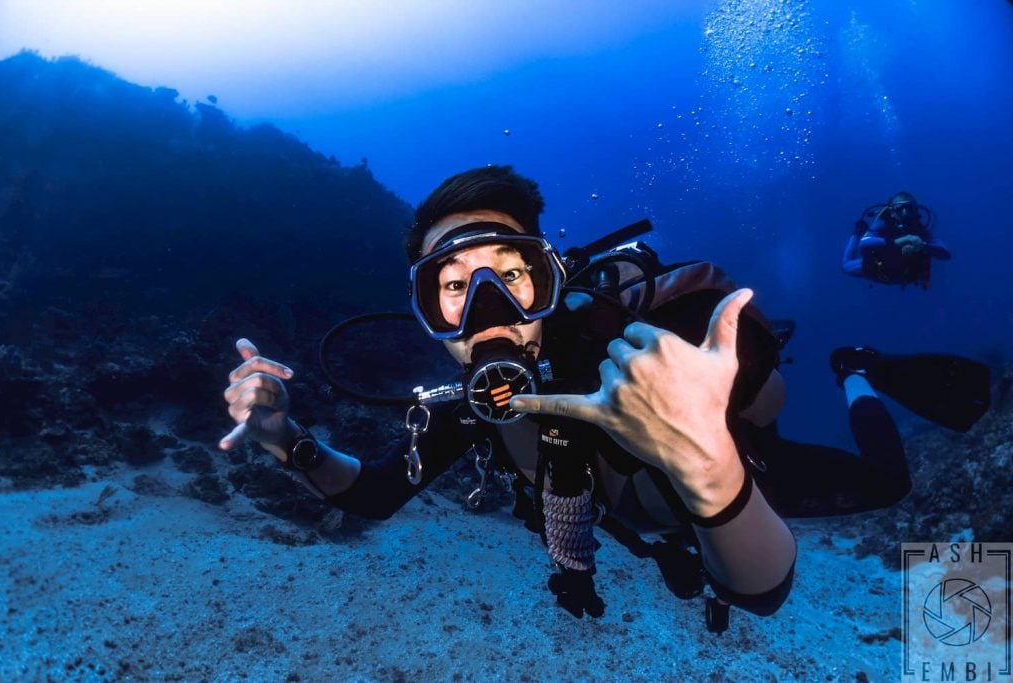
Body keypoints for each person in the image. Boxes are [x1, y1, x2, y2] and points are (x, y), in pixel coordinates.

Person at [220, 166, 928, 627]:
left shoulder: (631, 353)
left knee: (888, 482)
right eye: (455, 286)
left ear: (550, 277)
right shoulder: (470, 403)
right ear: (429, 315)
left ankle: (856, 370)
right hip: (644, 513)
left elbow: (764, 592)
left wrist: (708, 457)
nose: (489, 310)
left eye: (511, 273)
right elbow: (372, 493)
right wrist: (288, 440)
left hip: (740, 467)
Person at [842, 191, 950, 288]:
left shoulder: (920, 231)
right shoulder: (882, 224)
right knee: (846, 266)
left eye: (909, 208)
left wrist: (923, 245)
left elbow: (945, 253)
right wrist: (895, 242)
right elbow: (864, 243)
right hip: (876, 271)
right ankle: (856, 233)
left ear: (916, 211)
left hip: (905, 276)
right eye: (900, 209)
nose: (905, 213)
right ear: (892, 212)